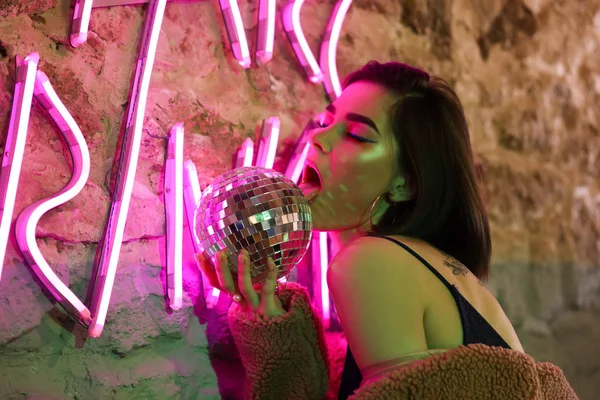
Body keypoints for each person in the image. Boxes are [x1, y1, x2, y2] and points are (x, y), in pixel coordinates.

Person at [195, 61, 578, 399]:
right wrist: (269, 318)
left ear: (406, 183)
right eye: (326, 123)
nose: (317, 138)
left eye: (358, 136)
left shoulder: (370, 262)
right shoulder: (422, 262)